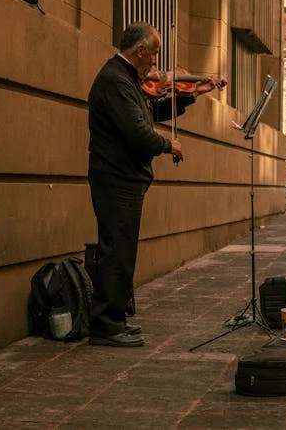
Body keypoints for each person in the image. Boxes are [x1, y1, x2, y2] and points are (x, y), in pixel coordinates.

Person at [87, 22, 222, 347]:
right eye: (155, 55)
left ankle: (116, 317)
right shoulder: (116, 80)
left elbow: (150, 113)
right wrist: (168, 146)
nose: (156, 66)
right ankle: (106, 325)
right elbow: (137, 132)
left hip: (124, 177)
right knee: (116, 249)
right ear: (140, 50)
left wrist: (192, 95)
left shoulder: (126, 79)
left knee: (123, 248)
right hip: (117, 178)